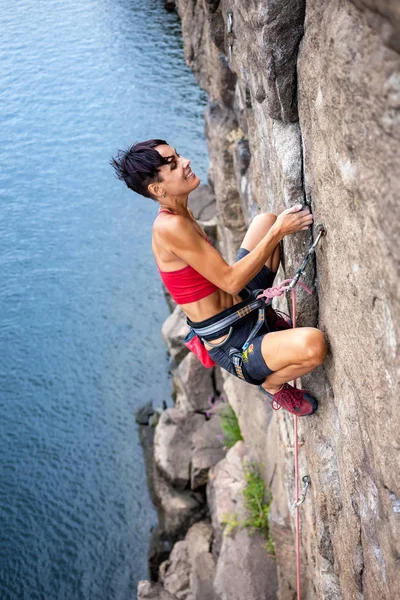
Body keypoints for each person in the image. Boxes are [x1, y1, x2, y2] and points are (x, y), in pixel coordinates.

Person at [111, 139, 327, 416]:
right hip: (233, 340)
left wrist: (275, 229)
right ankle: (274, 386)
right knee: (314, 345)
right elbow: (231, 282)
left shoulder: (181, 211)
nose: (186, 161)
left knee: (266, 220)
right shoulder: (170, 226)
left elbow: (228, 282)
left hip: (240, 303)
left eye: (178, 155)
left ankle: (269, 325)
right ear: (157, 188)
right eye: (173, 164)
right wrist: (280, 232)